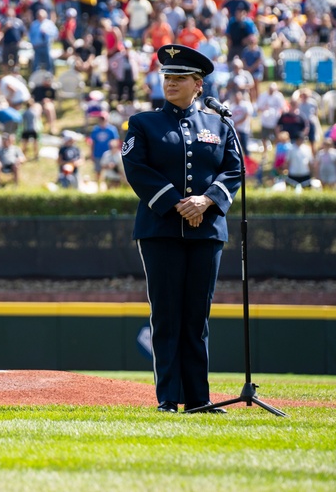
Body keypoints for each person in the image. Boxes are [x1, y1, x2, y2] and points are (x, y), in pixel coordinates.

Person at [121, 44, 241, 414]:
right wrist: (177, 202)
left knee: (196, 317)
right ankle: (169, 398)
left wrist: (205, 201)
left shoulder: (219, 125)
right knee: (167, 314)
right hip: (160, 230)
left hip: (207, 231)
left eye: (179, 78)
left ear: (198, 84)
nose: (170, 83)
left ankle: (199, 399)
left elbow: (234, 169)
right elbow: (137, 168)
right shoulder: (144, 123)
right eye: (167, 77)